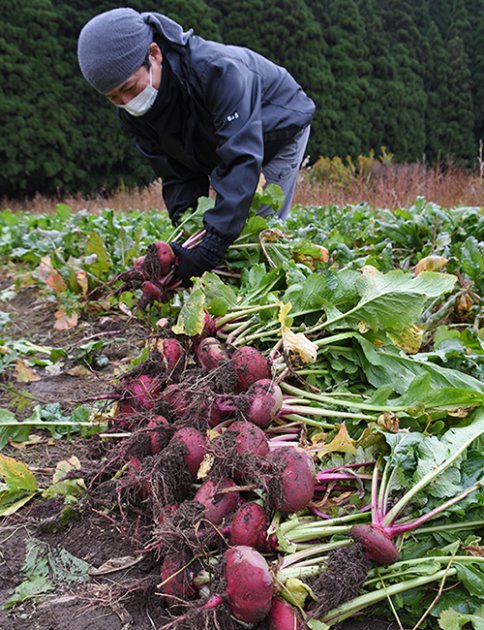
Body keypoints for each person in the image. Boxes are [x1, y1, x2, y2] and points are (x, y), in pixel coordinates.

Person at [77, 8, 315, 286]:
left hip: (278, 125)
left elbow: (240, 157)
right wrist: (187, 233)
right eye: (114, 97)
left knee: (258, 228)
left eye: (129, 88)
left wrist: (211, 248)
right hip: (219, 139)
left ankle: (267, 288)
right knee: (220, 222)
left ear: (154, 54)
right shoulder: (133, 115)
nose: (127, 101)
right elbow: (175, 171)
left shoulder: (215, 70)